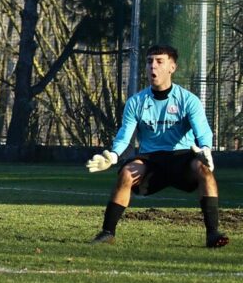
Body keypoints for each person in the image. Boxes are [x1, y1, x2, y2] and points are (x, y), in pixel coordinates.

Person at [86, 44, 229, 248]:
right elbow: (125, 134)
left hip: (181, 158)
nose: (153, 66)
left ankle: (213, 234)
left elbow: (203, 130)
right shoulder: (136, 102)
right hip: (151, 160)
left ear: (172, 67)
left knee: (204, 170)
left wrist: (206, 149)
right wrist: (114, 155)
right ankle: (107, 232)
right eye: (149, 61)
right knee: (126, 173)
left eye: (159, 61)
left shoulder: (188, 100)